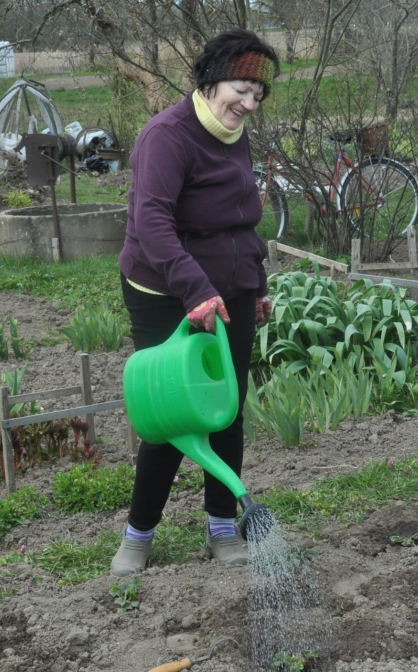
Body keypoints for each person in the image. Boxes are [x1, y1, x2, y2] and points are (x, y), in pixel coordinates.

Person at [112, 29, 280, 577]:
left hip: (227, 293)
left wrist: (253, 283)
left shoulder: (235, 134)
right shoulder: (167, 136)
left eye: (258, 95)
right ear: (210, 81)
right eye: (240, 89)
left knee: (225, 406)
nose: (248, 105)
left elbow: (240, 222)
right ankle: (138, 535)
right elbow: (152, 226)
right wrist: (197, 290)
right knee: (170, 414)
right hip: (165, 291)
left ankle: (222, 526)